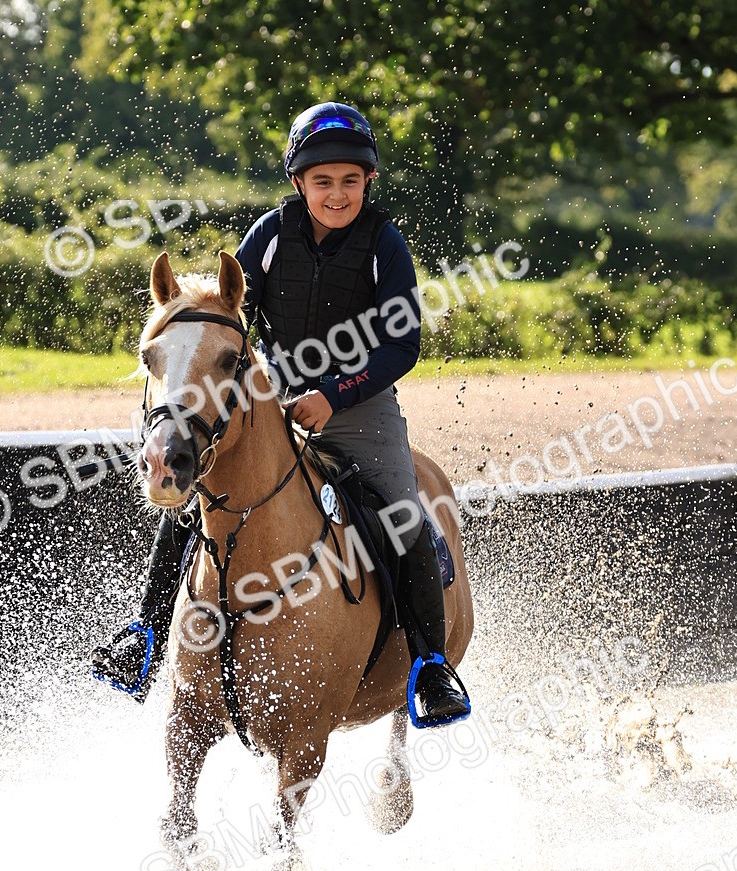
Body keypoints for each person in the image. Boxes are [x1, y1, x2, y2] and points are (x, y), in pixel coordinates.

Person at [92, 101, 469, 723]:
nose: (337, 193)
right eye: (322, 181)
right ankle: (145, 636)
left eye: (351, 180)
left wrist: (334, 395)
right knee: (197, 491)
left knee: (404, 510)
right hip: (271, 395)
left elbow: (403, 344)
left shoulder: (383, 244)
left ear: (368, 181)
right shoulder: (269, 237)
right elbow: (231, 317)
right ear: (299, 183)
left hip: (360, 407)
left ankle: (430, 667)